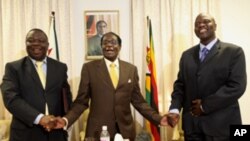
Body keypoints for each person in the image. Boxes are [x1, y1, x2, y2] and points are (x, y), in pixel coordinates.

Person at [53, 32, 168, 140]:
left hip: (125, 131)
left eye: (113, 42)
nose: (109, 46)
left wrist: (158, 118)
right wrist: (66, 120)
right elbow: (81, 102)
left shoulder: (131, 69)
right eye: (105, 43)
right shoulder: (89, 68)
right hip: (98, 132)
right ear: (101, 47)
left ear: (120, 46)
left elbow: (139, 102)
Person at [166, 13, 247, 141]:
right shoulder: (186, 55)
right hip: (192, 128)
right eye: (197, 23)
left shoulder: (234, 52)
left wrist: (204, 106)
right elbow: (180, 85)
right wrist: (175, 109)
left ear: (215, 26)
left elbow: (236, 87)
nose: (201, 25)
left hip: (222, 128)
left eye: (206, 21)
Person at [0, 28, 72, 141]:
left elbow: (66, 98)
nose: (36, 44)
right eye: (31, 40)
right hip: (25, 135)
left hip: (55, 134)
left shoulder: (60, 67)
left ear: (48, 45)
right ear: (26, 44)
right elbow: (11, 99)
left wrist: (64, 119)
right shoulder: (13, 68)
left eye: (41, 41)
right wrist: (40, 118)